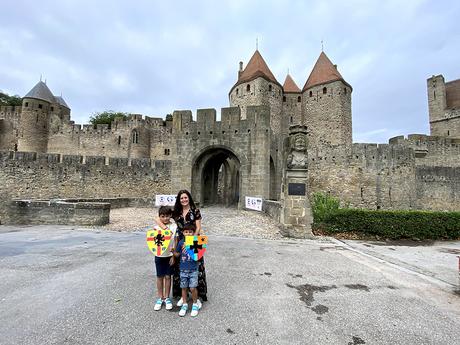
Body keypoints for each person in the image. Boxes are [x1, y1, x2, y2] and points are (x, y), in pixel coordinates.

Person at [155, 189, 208, 304]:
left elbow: (198, 228)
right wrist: (164, 228)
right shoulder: (176, 212)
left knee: (195, 268)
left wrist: (189, 242)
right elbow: (158, 218)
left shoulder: (195, 211)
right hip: (179, 242)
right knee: (180, 267)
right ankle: (182, 295)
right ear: (179, 200)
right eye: (181, 198)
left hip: (193, 242)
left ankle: (196, 296)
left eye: (185, 197)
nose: (184, 200)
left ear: (189, 198)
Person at [152, 206, 177, 311]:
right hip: (159, 255)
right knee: (159, 276)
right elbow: (153, 241)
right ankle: (160, 297)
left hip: (169, 255)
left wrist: (174, 254)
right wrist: (158, 224)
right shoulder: (156, 227)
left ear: (170, 216)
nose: (165, 218)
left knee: (168, 277)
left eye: (167, 216)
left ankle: (166, 297)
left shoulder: (174, 226)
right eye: (162, 216)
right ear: (159, 216)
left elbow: (173, 238)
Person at [174, 224, 201, 317]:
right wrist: (173, 251)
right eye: (186, 232)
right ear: (183, 233)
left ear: (193, 233)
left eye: (190, 232)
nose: (188, 234)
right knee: (184, 288)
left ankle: (195, 304)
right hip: (183, 269)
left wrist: (190, 247)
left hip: (193, 269)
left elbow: (198, 257)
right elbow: (177, 255)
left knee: (193, 288)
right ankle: (184, 304)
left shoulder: (196, 242)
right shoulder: (181, 242)